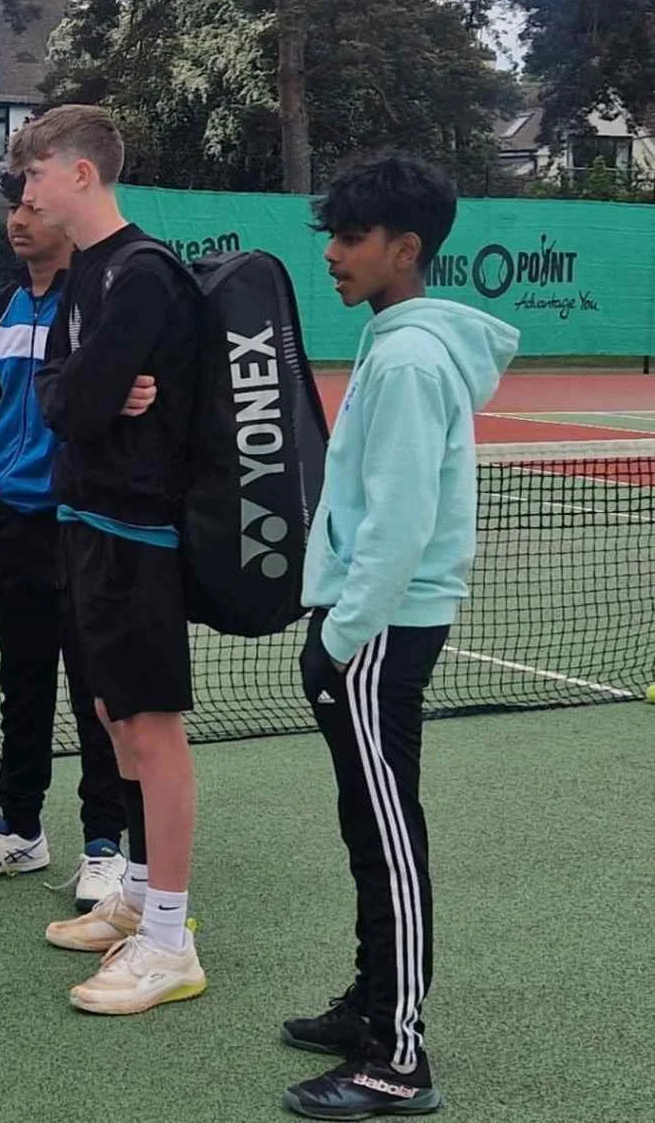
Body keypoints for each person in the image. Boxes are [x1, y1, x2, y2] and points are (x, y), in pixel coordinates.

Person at [281, 154, 518, 1121]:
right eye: (332, 235)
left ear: (403, 249)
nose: (333, 255)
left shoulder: (414, 358)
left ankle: (400, 1058)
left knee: (387, 833)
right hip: (366, 625)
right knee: (363, 822)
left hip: (380, 630)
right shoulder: (395, 339)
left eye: (350, 239)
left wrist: (340, 634)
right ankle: (371, 1004)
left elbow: (400, 520)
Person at [15, 105, 207, 1013]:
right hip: (83, 522)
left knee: (150, 732)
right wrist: (80, 387)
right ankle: (133, 891)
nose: (27, 192)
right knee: (109, 714)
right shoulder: (84, 276)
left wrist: (81, 390)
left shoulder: (143, 276)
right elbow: (58, 392)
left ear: (81, 174)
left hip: (138, 534)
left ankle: (169, 939)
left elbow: (77, 401)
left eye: (36, 174)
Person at [0, 169, 129, 913]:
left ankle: (105, 845)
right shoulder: (4, 308)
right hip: (12, 527)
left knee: (95, 694)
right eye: (12, 207)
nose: (16, 219)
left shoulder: (99, 304)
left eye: (28, 205)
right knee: (23, 688)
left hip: (83, 525)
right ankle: (19, 829)